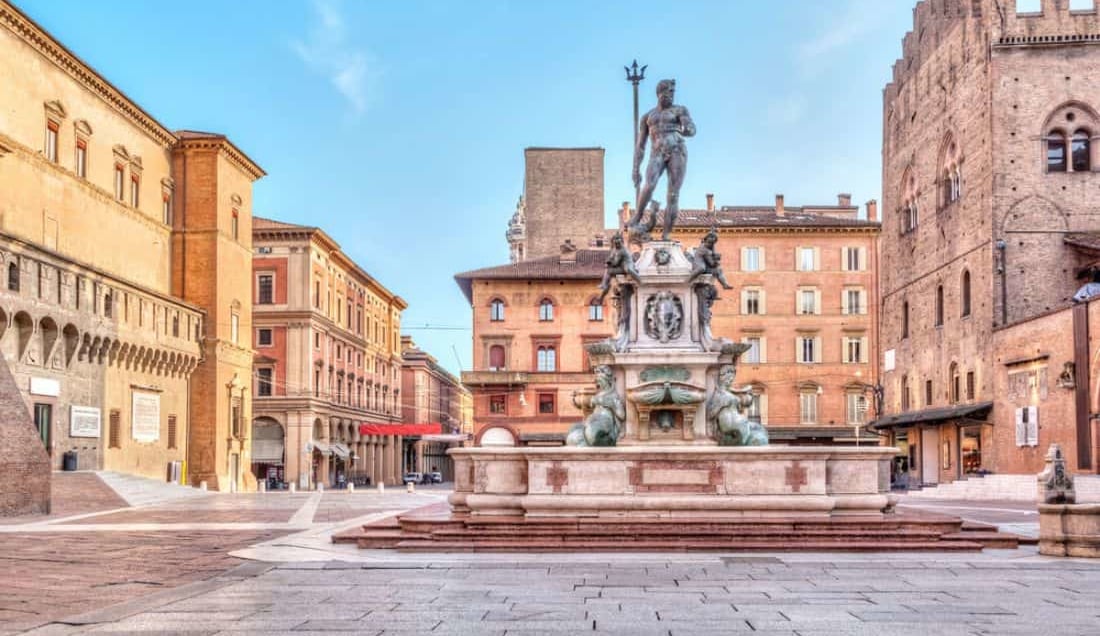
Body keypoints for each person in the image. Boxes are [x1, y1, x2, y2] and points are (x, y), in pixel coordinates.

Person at [626, 79, 696, 241]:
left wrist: (689, 130)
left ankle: (666, 234)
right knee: (649, 185)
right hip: (656, 152)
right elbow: (640, 146)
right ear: (659, 94)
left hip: (677, 150)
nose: (671, 95)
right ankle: (638, 216)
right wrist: (635, 168)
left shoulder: (679, 110)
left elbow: (690, 127)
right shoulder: (648, 117)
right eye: (668, 92)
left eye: (673, 92)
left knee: (673, 194)